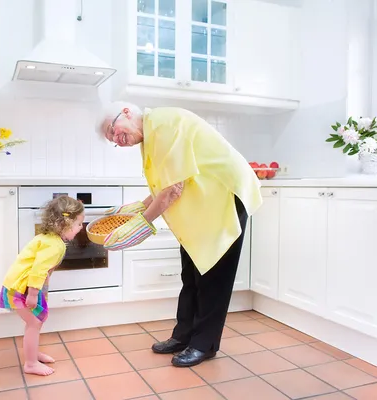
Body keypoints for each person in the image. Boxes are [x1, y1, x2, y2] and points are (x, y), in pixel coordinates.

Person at [96, 102, 263, 367]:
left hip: (223, 197)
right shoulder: (150, 136)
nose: (118, 140)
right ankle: (184, 335)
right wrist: (135, 209)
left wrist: (139, 225)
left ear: (126, 112)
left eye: (113, 131)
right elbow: (164, 185)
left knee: (213, 277)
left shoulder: (164, 125)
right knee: (191, 273)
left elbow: (173, 188)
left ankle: (204, 344)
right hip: (204, 204)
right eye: (112, 140)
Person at [0, 195, 84, 376]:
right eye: (78, 224)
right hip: (23, 288)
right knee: (34, 323)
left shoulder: (49, 238)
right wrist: (33, 294)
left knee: (36, 322)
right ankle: (30, 363)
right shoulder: (54, 245)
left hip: (25, 286)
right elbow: (38, 270)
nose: (81, 228)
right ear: (64, 224)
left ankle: (32, 351)